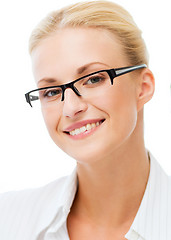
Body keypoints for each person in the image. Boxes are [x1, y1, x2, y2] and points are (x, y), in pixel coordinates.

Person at [0, 1, 171, 239]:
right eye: (52, 92)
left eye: (93, 79)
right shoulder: (7, 220)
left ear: (143, 87)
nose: (70, 108)